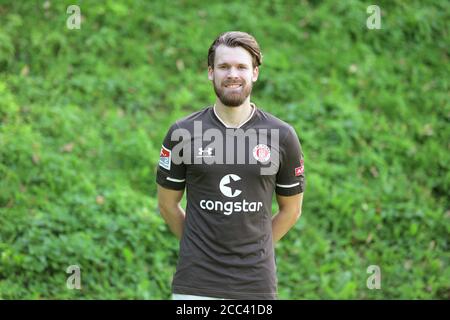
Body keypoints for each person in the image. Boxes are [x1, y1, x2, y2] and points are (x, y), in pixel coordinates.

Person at [156, 31, 305, 300]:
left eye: (241, 67)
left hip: (255, 284)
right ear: (211, 72)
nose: (232, 74)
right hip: (196, 284)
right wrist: (196, 247)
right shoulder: (183, 132)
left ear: (255, 73)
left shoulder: (282, 136)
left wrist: (256, 250)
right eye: (224, 67)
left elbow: (291, 210)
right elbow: (167, 204)